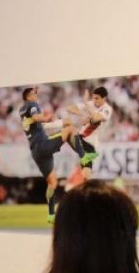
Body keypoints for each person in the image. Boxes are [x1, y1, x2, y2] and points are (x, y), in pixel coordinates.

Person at [18, 86, 97, 224]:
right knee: (70, 130)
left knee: (52, 182)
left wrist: (57, 122)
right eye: (34, 93)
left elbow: (40, 125)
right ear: (28, 96)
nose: (36, 95)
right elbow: (37, 117)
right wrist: (46, 117)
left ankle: (50, 215)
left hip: (36, 152)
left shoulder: (21, 110)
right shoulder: (32, 104)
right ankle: (83, 156)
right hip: (42, 144)